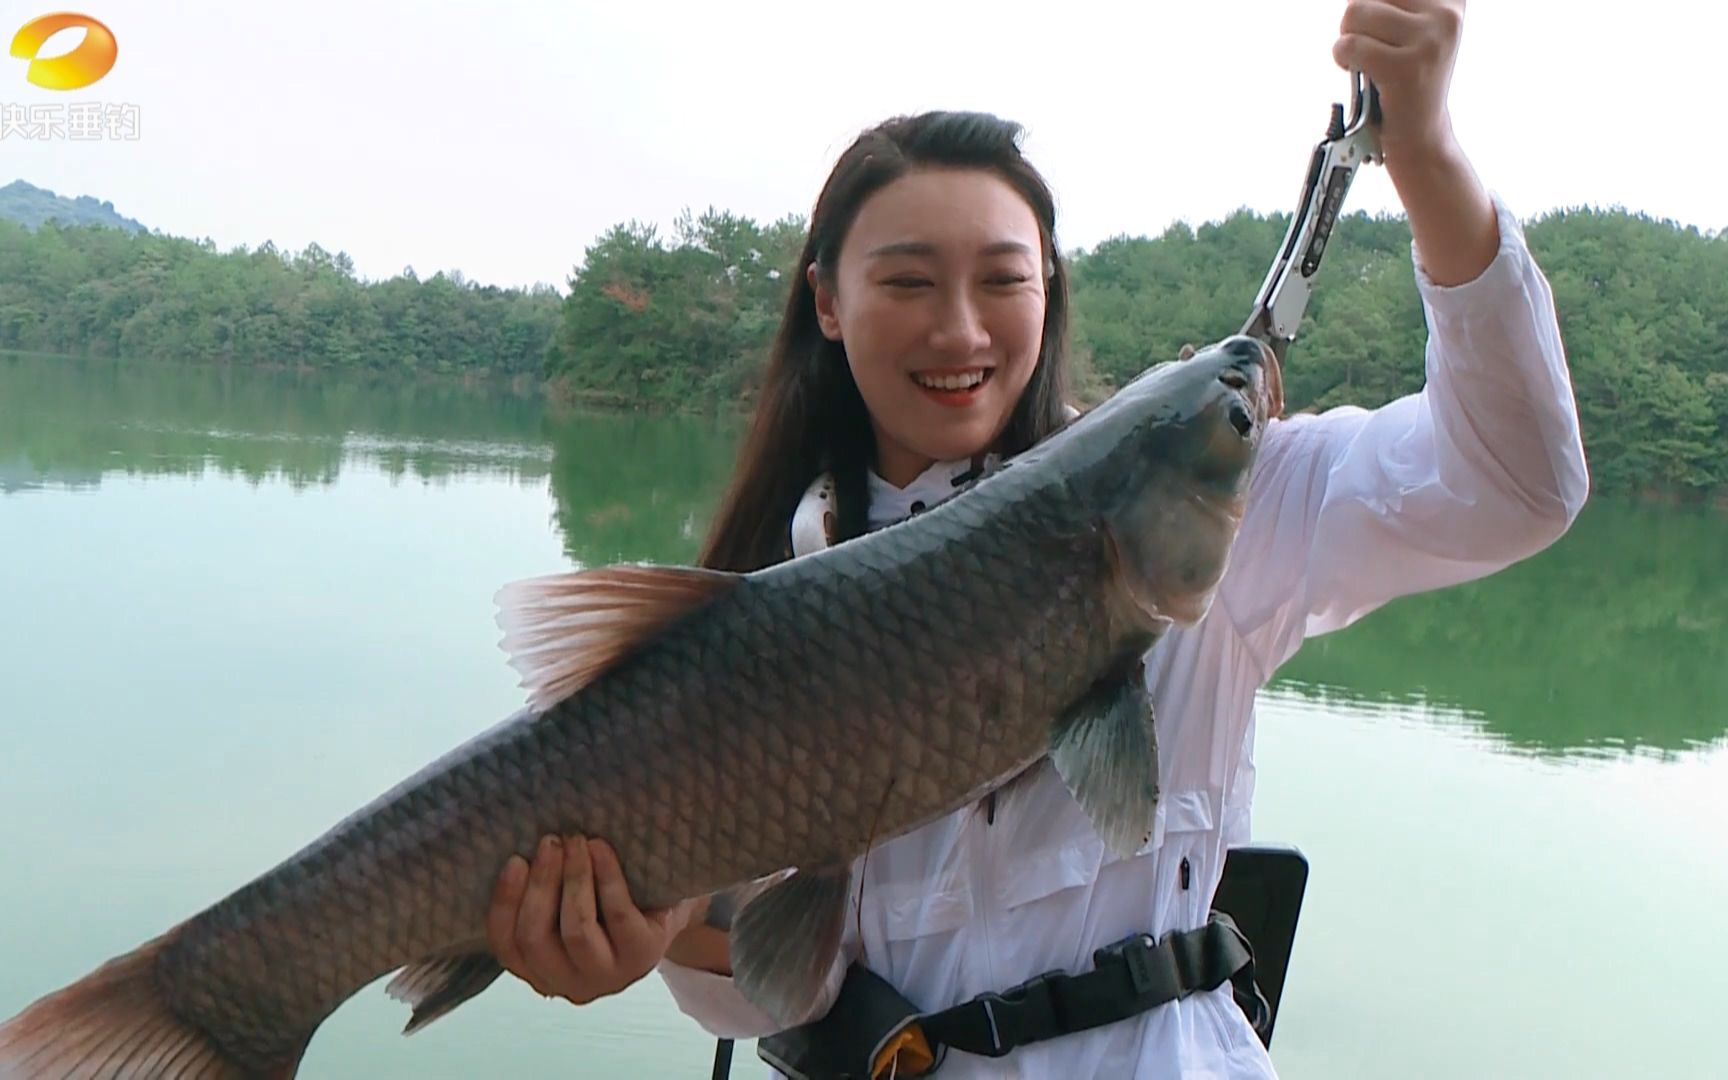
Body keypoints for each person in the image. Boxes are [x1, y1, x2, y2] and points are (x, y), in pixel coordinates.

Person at [483, 2, 1590, 1075]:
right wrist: (648, 935)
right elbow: (779, 988)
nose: (959, 328)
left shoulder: (1223, 501)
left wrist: (1429, 157)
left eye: (1003, 279)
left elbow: (1516, 483)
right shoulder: (770, 586)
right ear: (827, 301)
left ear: (1049, 288)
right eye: (907, 280)